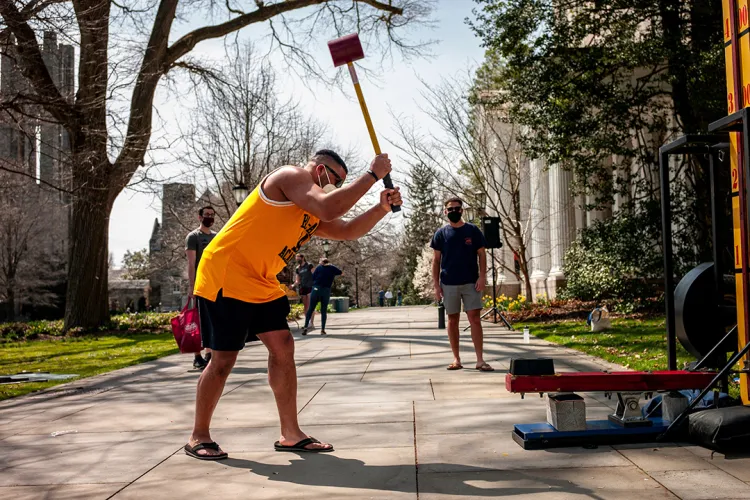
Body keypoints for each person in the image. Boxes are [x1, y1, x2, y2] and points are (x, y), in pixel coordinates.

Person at [185, 149, 402, 460]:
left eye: (340, 183)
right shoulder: (292, 176)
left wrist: (380, 209)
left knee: (283, 346)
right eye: (335, 178)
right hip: (226, 272)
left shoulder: (311, 210)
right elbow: (329, 208)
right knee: (223, 360)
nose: (337, 186)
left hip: (261, 279)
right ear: (318, 169)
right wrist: (371, 175)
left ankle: (291, 434)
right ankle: (199, 435)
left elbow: (345, 230)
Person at [431, 197, 494, 372]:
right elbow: (436, 261)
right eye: (450, 209)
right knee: (452, 320)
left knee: (474, 319)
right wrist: (436, 285)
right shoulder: (440, 234)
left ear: (462, 210)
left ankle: (480, 360)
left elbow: (481, 254)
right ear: (445, 212)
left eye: (457, 208)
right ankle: (456, 359)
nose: (454, 211)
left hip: (471, 283)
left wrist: (482, 277)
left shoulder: (473, 231)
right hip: (449, 283)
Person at [186, 206, 217, 370]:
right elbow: (191, 264)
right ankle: (197, 356)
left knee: (211, 320)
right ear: (200, 217)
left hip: (214, 285)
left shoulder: (217, 237)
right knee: (196, 321)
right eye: (206, 215)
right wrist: (192, 286)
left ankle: (209, 353)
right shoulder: (193, 237)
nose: (209, 217)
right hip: (199, 285)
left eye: (212, 215)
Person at [302, 258, 342, 335]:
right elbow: (341, 272)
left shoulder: (319, 267)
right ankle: (322, 330)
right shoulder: (332, 268)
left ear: (321, 262)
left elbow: (313, 278)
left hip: (316, 289)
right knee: (324, 310)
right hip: (326, 290)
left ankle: (305, 328)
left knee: (311, 309)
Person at [294, 254, 315, 330]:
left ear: (303, 258)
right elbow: (297, 280)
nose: (297, 260)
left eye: (298, 258)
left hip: (310, 286)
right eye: (296, 259)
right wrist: (293, 285)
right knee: (305, 306)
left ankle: (311, 323)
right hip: (302, 288)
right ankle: (307, 322)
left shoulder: (309, 265)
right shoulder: (297, 268)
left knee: (310, 306)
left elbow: (315, 274)